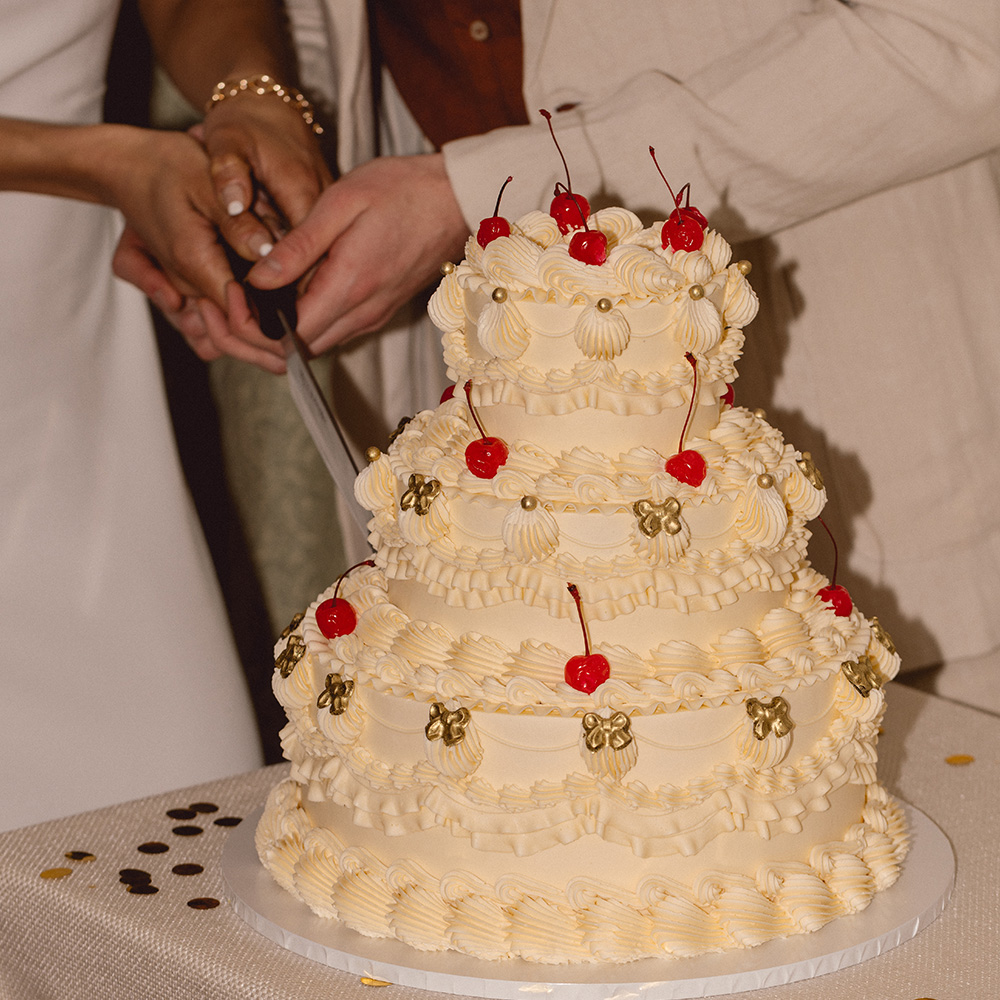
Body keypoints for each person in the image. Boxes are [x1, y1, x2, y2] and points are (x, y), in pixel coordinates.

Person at [117, 1, 1000, 711]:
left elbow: (963, 33)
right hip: (502, 517)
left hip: (880, 474)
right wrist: (263, 155)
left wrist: (480, 191)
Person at [0, 0, 332, 831]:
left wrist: (250, 99)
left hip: (63, 408)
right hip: (86, 183)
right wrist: (102, 165)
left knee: (176, 846)